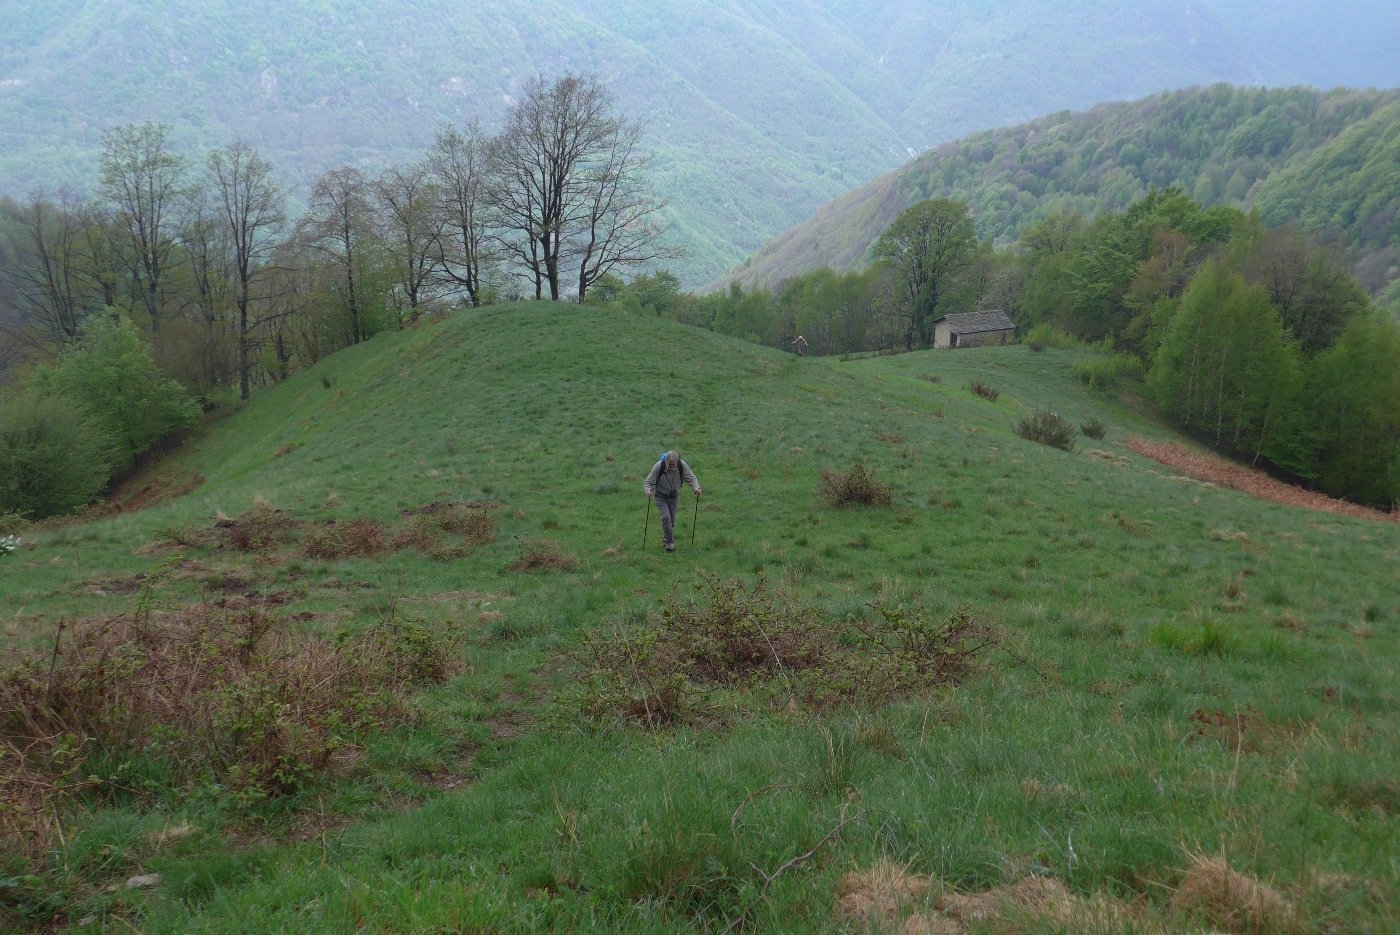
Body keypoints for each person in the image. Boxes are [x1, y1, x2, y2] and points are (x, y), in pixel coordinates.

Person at [643, 451, 701, 552]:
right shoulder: (658, 466)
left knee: (671, 521)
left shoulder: (681, 465)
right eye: (670, 465)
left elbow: (691, 478)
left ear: (677, 462)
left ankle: (666, 539)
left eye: (673, 465)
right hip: (660, 496)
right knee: (666, 517)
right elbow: (648, 482)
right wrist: (648, 490)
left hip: (674, 496)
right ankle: (670, 544)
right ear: (665, 461)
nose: (672, 467)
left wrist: (696, 488)